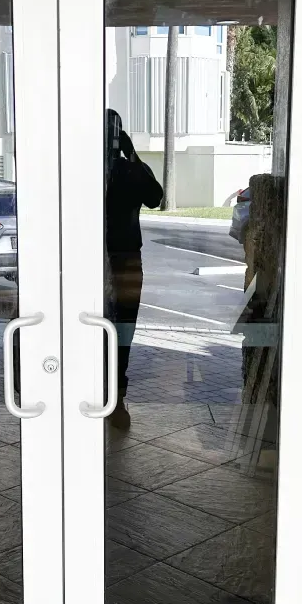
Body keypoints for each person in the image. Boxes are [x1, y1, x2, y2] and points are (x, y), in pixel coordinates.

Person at [104, 109, 164, 431]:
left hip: (114, 260)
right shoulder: (129, 171)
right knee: (122, 333)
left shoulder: (108, 172)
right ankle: (115, 398)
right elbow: (156, 196)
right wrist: (133, 155)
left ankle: (111, 397)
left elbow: (155, 199)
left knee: (112, 331)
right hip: (124, 261)